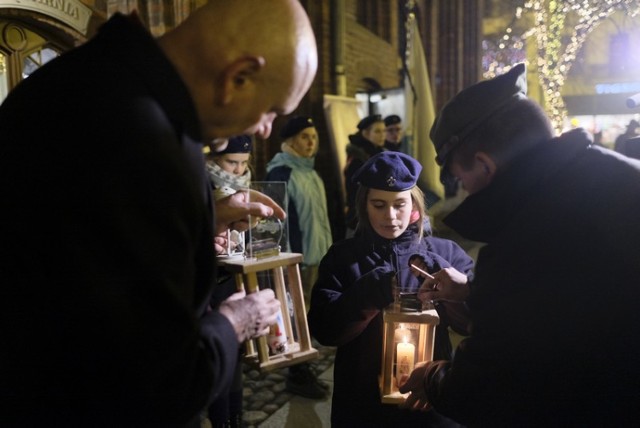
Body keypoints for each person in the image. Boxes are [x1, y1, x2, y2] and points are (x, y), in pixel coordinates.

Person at [0, 0, 317, 426]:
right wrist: (234, 323)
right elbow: (161, 384)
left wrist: (203, 225)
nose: (264, 130)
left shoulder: (87, 77)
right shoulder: (148, 141)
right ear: (237, 76)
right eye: (273, 111)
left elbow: (85, 258)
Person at [399, 63, 640, 427]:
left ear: (484, 165)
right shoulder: (620, 177)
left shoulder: (522, 236)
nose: (462, 188)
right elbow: (568, 297)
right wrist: (475, 291)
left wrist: (434, 377)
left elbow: (498, 384)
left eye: (459, 177)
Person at [307, 151, 474, 427]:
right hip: (363, 401)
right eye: (379, 205)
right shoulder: (343, 257)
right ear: (364, 205)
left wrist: (451, 288)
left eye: (400, 204)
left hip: (429, 399)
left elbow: (475, 322)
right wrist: (368, 294)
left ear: (415, 204)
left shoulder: (446, 253)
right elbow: (325, 329)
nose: (391, 216)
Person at [265, 115, 333, 399]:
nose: (311, 143)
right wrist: (287, 258)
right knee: (294, 316)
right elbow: (276, 224)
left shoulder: (310, 171)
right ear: (291, 140)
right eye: (305, 137)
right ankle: (297, 373)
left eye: (314, 137)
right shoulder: (281, 173)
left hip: (314, 256)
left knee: (305, 316)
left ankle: (304, 368)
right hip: (295, 259)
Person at [344, 114, 386, 237]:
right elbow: (355, 194)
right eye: (377, 131)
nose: (382, 135)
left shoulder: (377, 154)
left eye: (384, 131)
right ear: (366, 134)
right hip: (360, 221)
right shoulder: (358, 160)